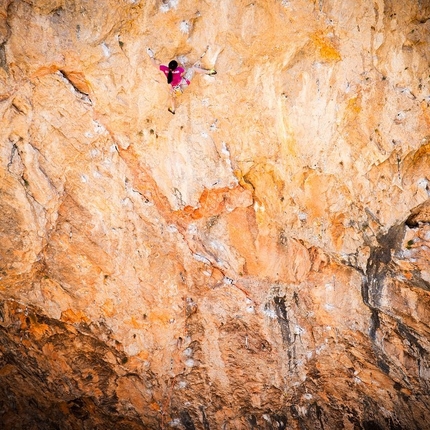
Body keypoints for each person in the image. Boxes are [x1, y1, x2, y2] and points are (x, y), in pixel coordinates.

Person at [147, 48, 216, 114]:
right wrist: (183, 64)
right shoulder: (179, 69)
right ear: (176, 66)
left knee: (172, 96)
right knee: (193, 68)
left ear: (169, 66)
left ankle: (173, 109)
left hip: (176, 90)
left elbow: (154, 64)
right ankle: (208, 72)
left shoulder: (165, 69)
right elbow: (184, 72)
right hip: (184, 83)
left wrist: (151, 56)